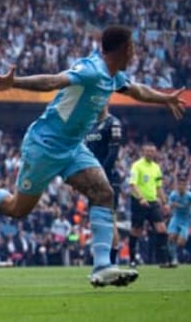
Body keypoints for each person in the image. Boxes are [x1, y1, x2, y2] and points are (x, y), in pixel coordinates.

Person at [0, 26, 186, 287]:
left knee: (104, 193)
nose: (134, 53)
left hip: (73, 147)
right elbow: (53, 80)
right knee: (16, 208)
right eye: (132, 47)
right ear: (124, 49)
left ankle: (102, 266)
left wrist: (165, 99)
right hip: (44, 145)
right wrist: (14, 83)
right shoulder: (92, 70)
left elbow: (138, 90)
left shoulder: (113, 77)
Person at [85, 105, 123, 264]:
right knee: (96, 221)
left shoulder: (113, 123)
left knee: (110, 219)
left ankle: (112, 262)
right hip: (92, 180)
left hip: (108, 178)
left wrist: (101, 173)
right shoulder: (89, 125)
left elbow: (114, 152)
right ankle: (103, 261)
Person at [128, 143, 168, 268]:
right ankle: (132, 259)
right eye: (148, 151)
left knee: (161, 229)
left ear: (155, 153)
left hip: (153, 201)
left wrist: (164, 201)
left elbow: (158, 186)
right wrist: (141, 198)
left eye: (152, 151)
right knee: (136, 230)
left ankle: (162, 259)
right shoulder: (137, 166)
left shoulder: (156, 167)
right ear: (143, 152)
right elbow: (133, 184)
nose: (150, 153)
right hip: (139, 202)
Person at [165, 179, 191, 267]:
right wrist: (172, 205)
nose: (182, 187)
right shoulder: (173, 195)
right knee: (170, 237)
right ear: (177, 186)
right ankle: (173, 259)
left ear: (186, 186)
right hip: (176, 218)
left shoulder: (190, 196)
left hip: (186, 220)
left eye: (184, 185)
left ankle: (178, 255)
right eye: (180, 185)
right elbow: (168, 207)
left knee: (181, 243)